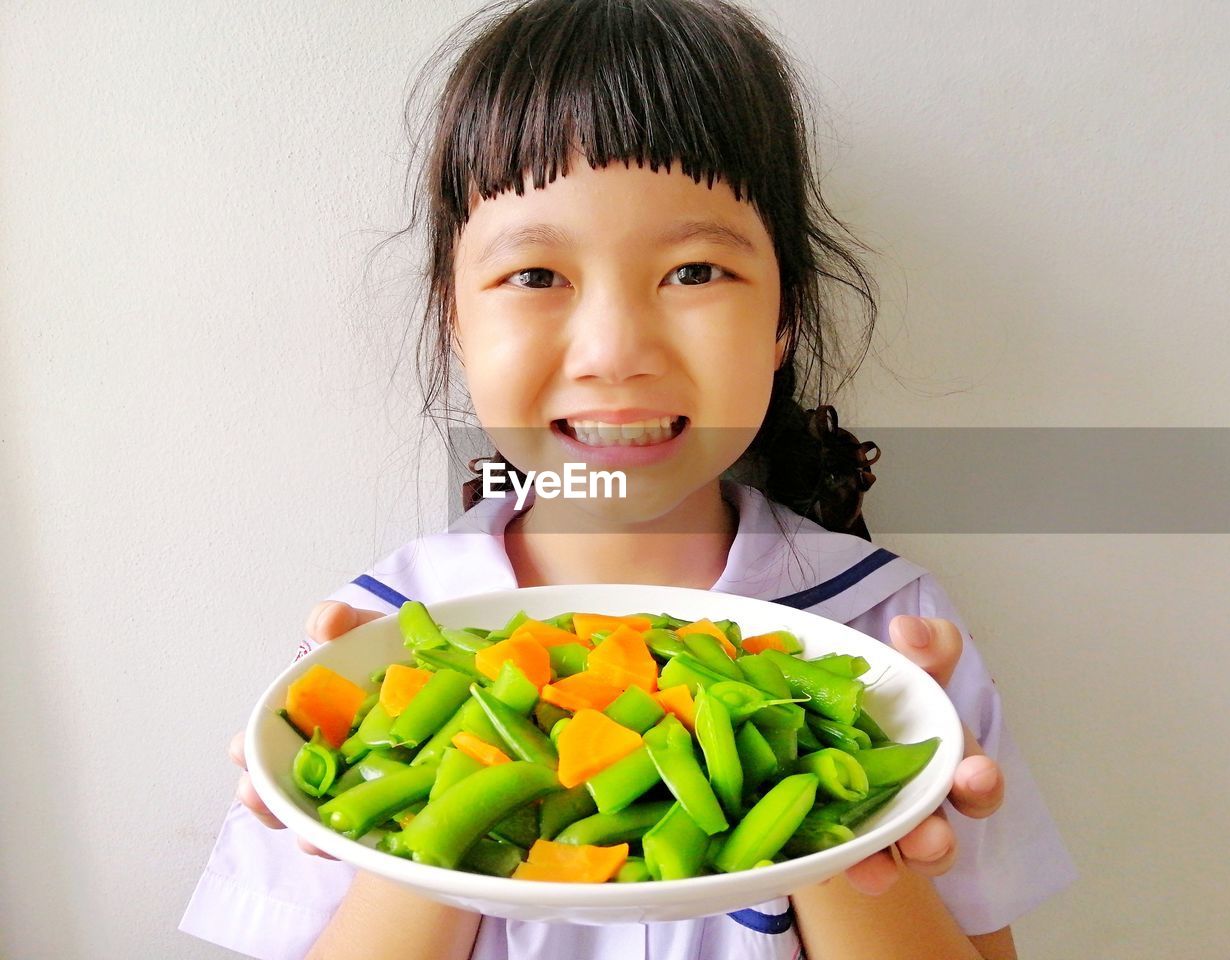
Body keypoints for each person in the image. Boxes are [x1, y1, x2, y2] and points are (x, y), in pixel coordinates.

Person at [180, 1, 1076, 957]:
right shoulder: (373, 645)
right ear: (455, 318)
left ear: (784, 319)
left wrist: (849, 828)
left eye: (693, 271)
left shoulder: (889, 650)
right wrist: (410, 785)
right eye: (534, 276)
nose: (614, 352)